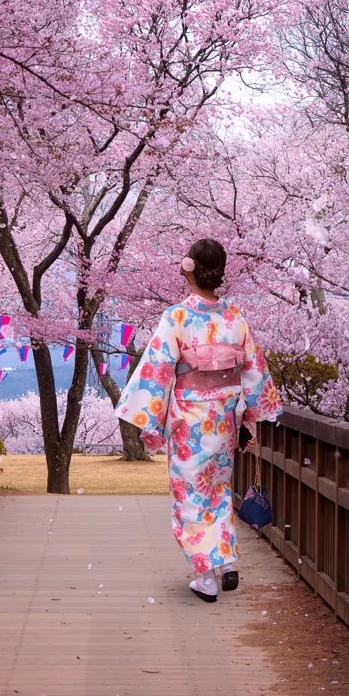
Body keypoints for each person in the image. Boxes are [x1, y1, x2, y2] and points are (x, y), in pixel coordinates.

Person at [114, 238, 283, 602]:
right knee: (219, 490)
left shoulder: (177, 317)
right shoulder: (235, 317)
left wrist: (149, 422)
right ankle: (227, 561)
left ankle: (206, 577)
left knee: (191, 495)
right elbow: (254, 372)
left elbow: (158, 371)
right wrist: (251, 417)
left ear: (187, 268)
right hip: (224, 418)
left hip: (190, 420)